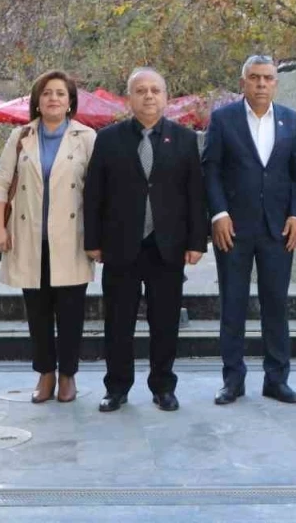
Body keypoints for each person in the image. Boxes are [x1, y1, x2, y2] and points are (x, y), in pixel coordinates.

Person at [84, 67, 206, 412]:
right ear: (129, 98)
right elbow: (94, 194)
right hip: (121, 245)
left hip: (166, 246)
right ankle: (117, 388)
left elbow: (195, 194)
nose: (148, 96)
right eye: (141, 90)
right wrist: (92, 241)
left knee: (165, 322)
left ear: (166, 98)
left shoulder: (183, 139)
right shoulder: (108, 139)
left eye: (155, 90)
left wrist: (197, 241)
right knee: (118, 322)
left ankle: (163, 387)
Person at [204, 55, 296, 405]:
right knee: (232, 304)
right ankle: (233, 380)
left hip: (278, 229)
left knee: (276, 304)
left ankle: (276, 379)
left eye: (267, 78)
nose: (261, 84)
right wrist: (218, 213)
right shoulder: (223, 119)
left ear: (276, 83)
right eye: (255, 78)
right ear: (243, 82)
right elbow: (212, 170)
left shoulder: (291, 121)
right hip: (232, 228)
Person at [0, 70, 97, 404]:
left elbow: (100, 191)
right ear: (37, 100)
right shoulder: (21, 136)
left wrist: (99, 237)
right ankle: (45, 374)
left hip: (71, 238)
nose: (53, 98)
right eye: (47, 93)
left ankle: (68, 376)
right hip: (29, 236)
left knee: (70, 312)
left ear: (70, 102)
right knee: (37, 312)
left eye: (60, 94)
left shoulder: (87, 137)